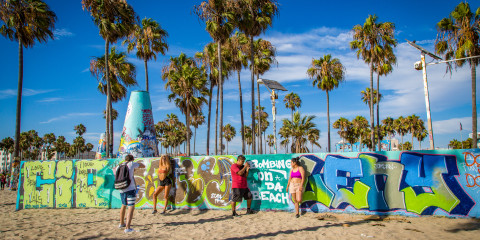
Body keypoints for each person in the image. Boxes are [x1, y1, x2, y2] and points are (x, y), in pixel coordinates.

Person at [117, 154, 145, 233]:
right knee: (131, 207)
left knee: (123, 205)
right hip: (130, 188)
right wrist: (134, 165)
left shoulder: (120, 165)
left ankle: (121, 223)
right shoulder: (132, 164)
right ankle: (127, 227)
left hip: (121, 188)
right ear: (132, 159)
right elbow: (142, 165)